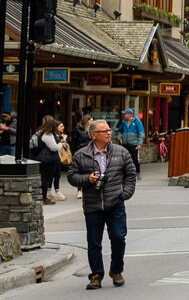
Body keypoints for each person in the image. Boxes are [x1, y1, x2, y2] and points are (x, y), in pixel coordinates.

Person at [69, 119, 138, 289]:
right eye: (104, 131)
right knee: (94, 242)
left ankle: (116, 271)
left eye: (109, 130)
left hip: (115, 203)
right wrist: (87, 179)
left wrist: (124, 194)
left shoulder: (121, 152)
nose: (109, 133)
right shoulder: (81, 155)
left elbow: (131, 174)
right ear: (93, 135)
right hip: (92, 205)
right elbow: (71, 176)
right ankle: (96, 275)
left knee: (118, 237)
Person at [34, 116, 68, 203]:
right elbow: (54, 148)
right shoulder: (47, 135)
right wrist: (61, 143)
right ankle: (44, 198)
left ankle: (44, 196)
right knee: (45, 179)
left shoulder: (41, 133)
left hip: (44, 158)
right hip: (48, 159)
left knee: (45, 178)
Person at [116, 109, 145, 179]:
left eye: (125, 114)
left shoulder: (137, 122)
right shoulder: (123, 122)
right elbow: (120, 131)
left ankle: (138, 172)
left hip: (134, 144)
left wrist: (140, 144)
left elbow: (141, 133)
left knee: (135, 159)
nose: (124, 115)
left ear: (130, 115)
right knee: (125, 159)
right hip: (125, 144)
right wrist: (119, 137)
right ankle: (126, 173)